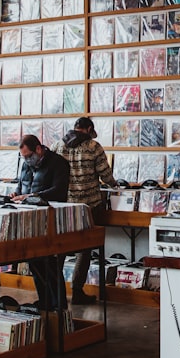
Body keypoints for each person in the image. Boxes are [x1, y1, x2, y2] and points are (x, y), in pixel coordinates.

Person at [55, 117, 116, 305]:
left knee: (61, 248)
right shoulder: (93, 147)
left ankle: (57, 291)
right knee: (85, 250)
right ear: (89, 129)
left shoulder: (58, 146)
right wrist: (114, 184)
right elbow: (106, 176)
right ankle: (77, 290)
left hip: (64, 205)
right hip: (89, 206)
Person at [12, 135, 71, 310]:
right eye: (23, 157)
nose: (26, 160)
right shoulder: (26, 164)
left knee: (51, 265)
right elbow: (21, 184)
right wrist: (16, 194)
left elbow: (59, 191)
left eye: (29, 156)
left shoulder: (58, 163)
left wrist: (31, 196)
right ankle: (44, 302)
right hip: (28, 219)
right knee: (35, 264)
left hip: (50, 220)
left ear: (38, 149)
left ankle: (58, 305)